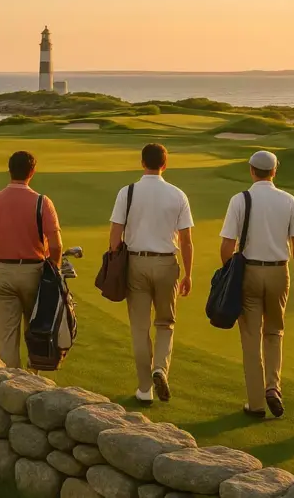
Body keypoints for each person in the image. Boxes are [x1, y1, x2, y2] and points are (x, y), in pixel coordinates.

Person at [220, 150, 294, 419]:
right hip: (279, 272)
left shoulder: (239, 200)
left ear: (251, 170)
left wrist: (230, 276)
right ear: (274, 171)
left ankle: (256, 403)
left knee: (250, 336)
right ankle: (273, 387)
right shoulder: (289, 200)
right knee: (274, 332)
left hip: (249, 272)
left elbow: (226, 246)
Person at [109, 143, 194, 404]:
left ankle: (145, 389)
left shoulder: (128, 192)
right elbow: (186, 240)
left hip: (136, 263)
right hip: (167, 263)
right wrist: (188, 274)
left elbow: (115, 235)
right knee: (165, 323)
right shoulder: (178, 194)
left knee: (139, 327)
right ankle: (160, 368)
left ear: (142, 162)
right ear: (164, 165)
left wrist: (115, 263)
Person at [0, 150, 63, 369]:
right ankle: (32, 386)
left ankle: (10, 388)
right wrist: (54, 271)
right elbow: (56, 245)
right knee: (36, 332)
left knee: (7, 339)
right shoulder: (43, 202)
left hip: (2, 272)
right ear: (32, 172)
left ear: (9, 170)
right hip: (35, 274)